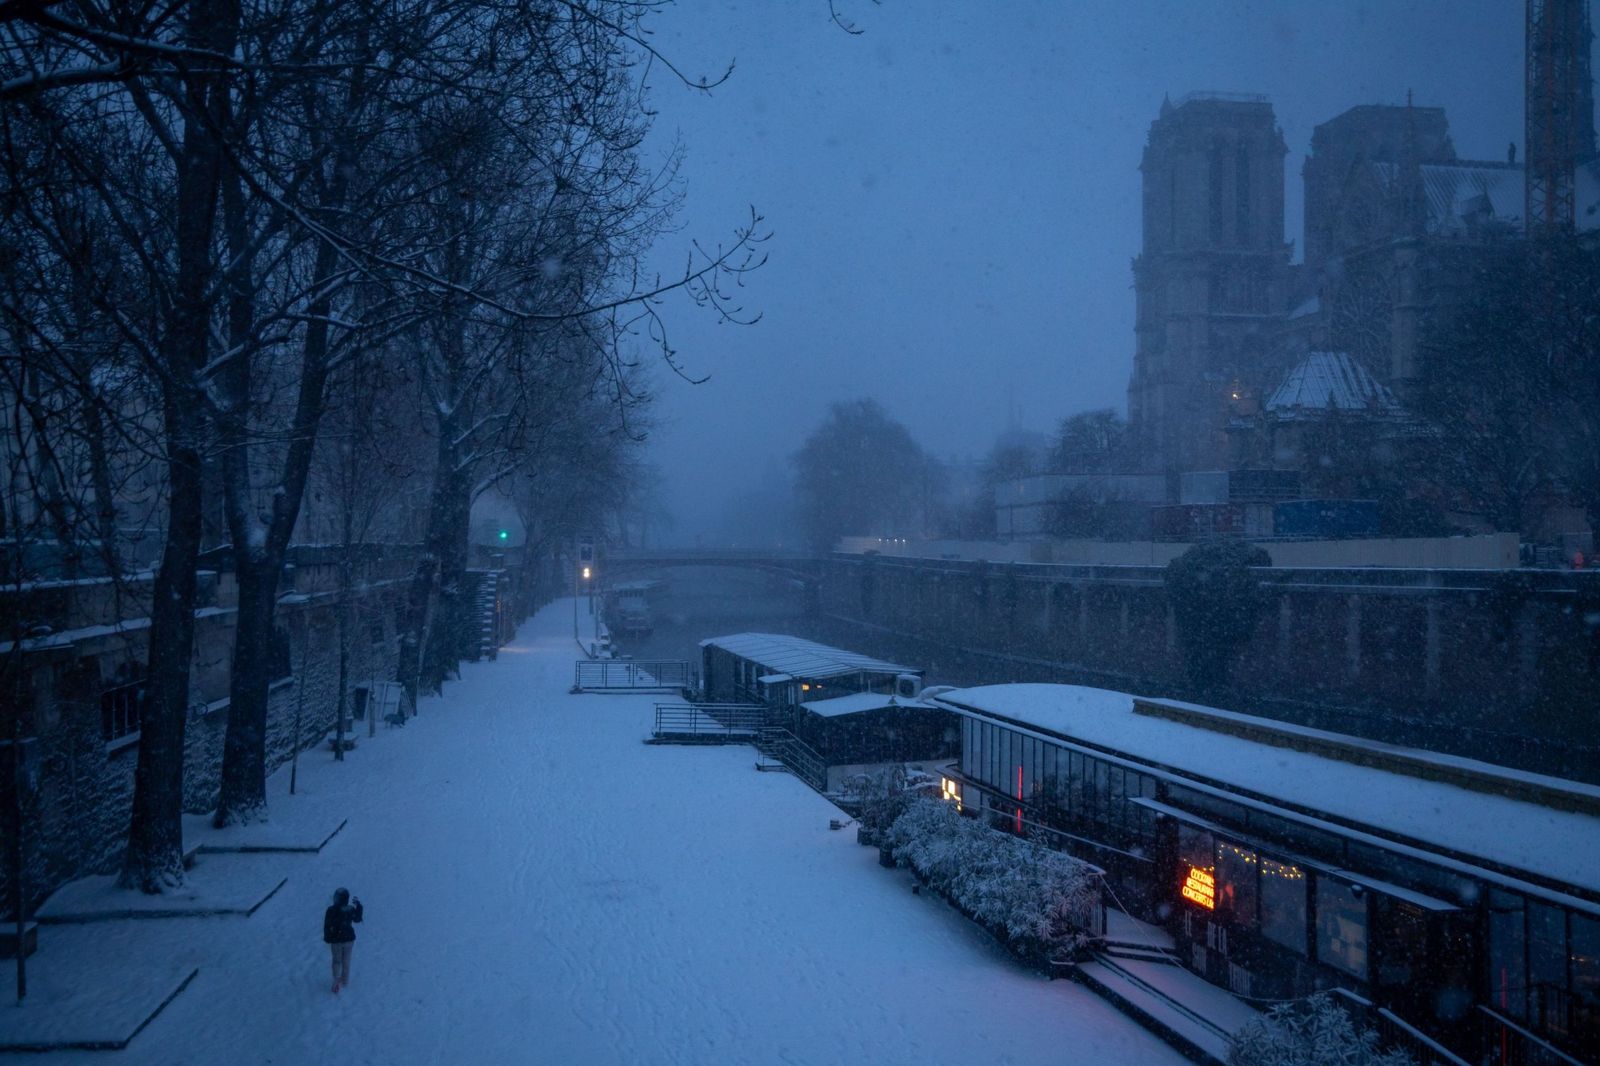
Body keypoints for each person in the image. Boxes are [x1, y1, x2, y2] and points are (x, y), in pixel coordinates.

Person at [323, 887, 363, 994]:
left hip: (337, 941)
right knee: (346, 961)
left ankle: (337, 980)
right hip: (349, 939)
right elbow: (357, 918)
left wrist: (327, 937)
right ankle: (344, 981)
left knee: (337, 961)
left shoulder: (331, 910)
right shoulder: (349, 909)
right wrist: (358, 907)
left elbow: (327, 925)